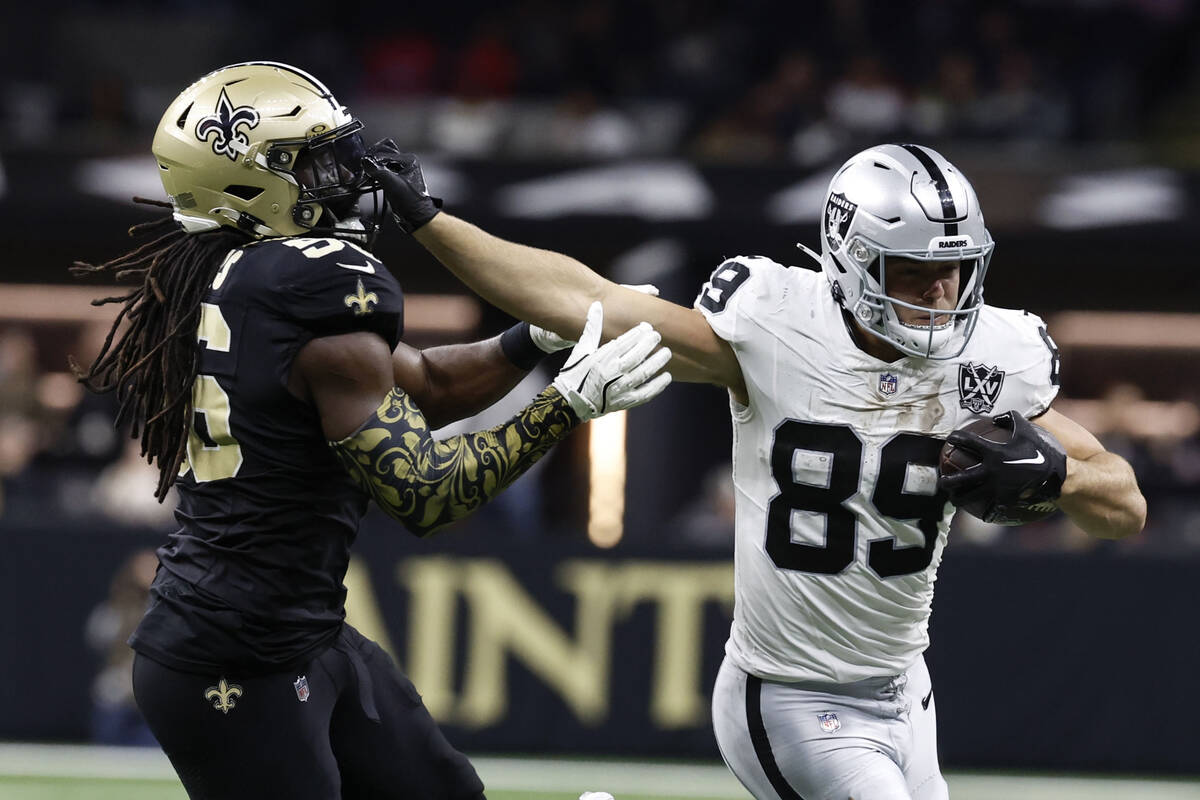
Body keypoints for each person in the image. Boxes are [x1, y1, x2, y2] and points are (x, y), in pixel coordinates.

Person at [366, 142, 1146, 800]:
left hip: (906, 689)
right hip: (790, 693)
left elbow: (1124, 504)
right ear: (852, 261)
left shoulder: (989, 361)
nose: (941, 295)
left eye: (955, 270)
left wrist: (1054, 478)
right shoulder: (775, 325)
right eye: (912, 272)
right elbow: (585, 301)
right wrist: (431, 223)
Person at [72, 61, 671, 800]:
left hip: (291, 631)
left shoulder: (234, 271)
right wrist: (567, 405)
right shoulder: (313, 289)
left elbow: (426, 382)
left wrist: (540, 339)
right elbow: (428, 497)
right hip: (233, 661)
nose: (346, 176)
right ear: (248, 183)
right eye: (312, 161)